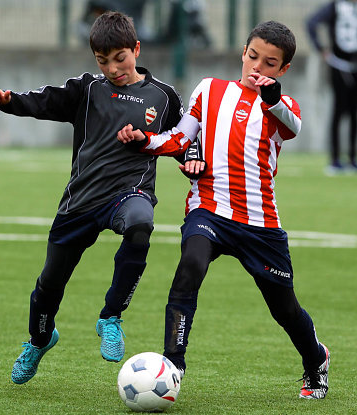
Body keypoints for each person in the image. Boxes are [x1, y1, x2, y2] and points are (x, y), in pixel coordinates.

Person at [117, 20, 330, 400]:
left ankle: (316, 360)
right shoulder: (209, 90)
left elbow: (293, 126)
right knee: (191, 265)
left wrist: (274, 99)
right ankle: (173, 364)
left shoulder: (281, 106)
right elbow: (181, 137)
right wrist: (144, 139)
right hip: (209, 208)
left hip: (259, 223)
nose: (257, 68)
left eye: (269, 63)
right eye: (252, 57)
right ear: (242, 52)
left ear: (283, 70)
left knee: (284, 308)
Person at [0, 11, 192, 385]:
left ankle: (111, 316)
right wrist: (9, 100)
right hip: (80, 202)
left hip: (129, 193)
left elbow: (182, 141)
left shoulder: (163, 98)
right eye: (102, 60)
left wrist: (193, 161)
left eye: (120, 58)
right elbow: (44, 101)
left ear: (137, 49)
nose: (112, 68)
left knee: (141, 224)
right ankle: (40, 339)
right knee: (50, 284)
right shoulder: (88, 88)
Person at [306, 0, 357, 174]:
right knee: (339, 110)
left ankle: (353, 159)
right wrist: (321, 48)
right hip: (339, 65)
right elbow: (312, 22)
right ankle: (334, 159)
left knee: (355, 112)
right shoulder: (335, 6)